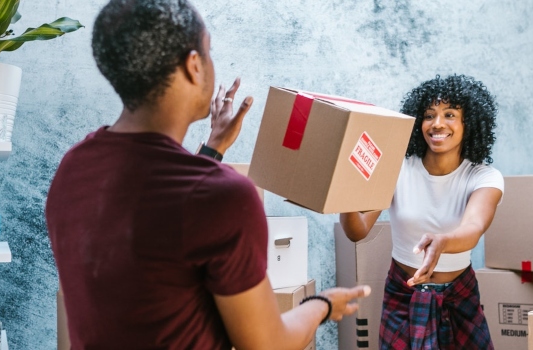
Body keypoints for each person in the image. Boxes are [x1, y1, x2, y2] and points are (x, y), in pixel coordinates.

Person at [45, 0, 370, 349]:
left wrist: (212, 150)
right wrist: (321, 305)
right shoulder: (223, 198)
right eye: (210, 51)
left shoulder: (73, 168)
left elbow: (154, 243)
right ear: (194, 65)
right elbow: (268, 343)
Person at [340, 74, 503, 349]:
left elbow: (473, 228)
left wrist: (442, 242)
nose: (437, 124)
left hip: (459, 297)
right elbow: (357, 231)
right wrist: (344, 192)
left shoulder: (484, 177)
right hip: (403, 295)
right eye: (429, 115)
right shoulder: (396, 168)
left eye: (450, 114)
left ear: (469, 122)